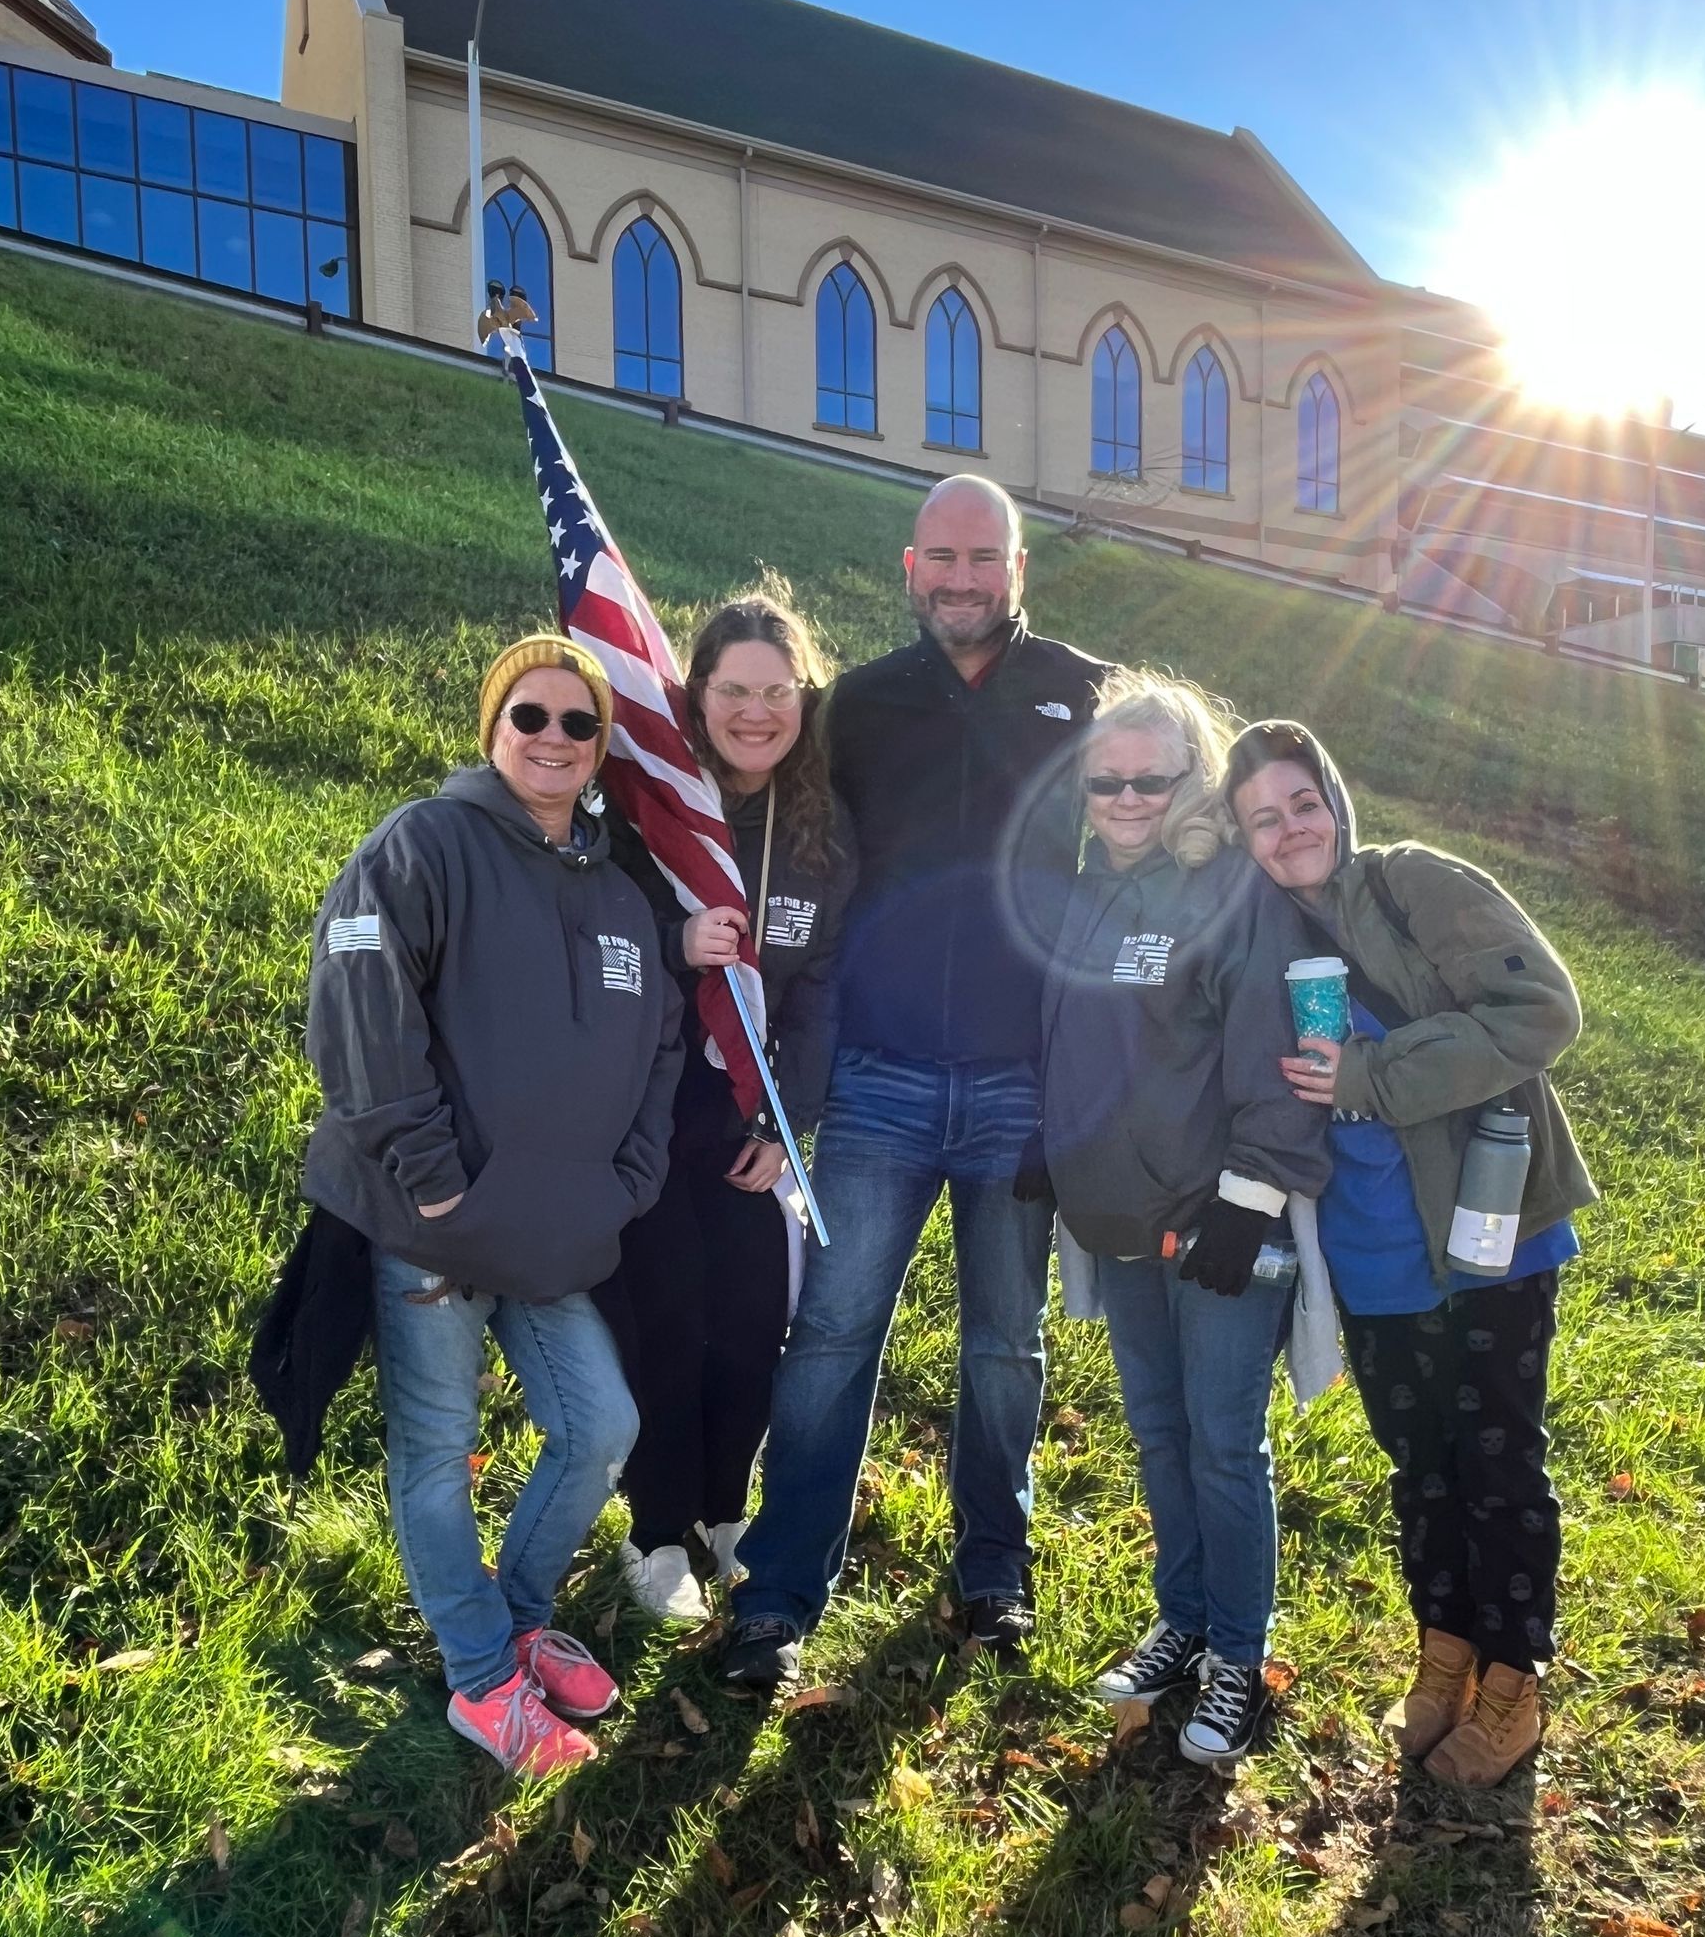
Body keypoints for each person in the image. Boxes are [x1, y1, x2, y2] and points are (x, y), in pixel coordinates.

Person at [720, 476, 1106, 1687]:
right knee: (832, 1332)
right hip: (879, 1075)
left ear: (1018, 565)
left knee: (1006, 1346)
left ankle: (994, 1572)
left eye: (982, 556)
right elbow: (770, 820)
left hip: (1022, 1082)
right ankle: (779, 1595)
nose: (960, 577)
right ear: (906, 565)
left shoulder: (1088, 695)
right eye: (940, 555)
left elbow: (1165, 836)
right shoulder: (857, 708)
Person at [302, 636, 682, 1778]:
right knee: (437, 1451)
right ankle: (480, 1681)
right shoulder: (424, 841)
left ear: (602, 748)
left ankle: (512, 1617)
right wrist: (430, 1172)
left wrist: (630, 1183)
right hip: (431, 1223)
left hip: (559, 1230)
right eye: (531, 716)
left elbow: (661, 1048)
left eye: (579, 724)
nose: (553, 739)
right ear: (493, 728)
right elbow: (359, 994)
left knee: (601, 1426)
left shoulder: (622, 899)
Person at [1223, 720, 1597, 1788]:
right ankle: (1445, 1651)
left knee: (1498, 1458)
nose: (1290, 828)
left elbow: (1541, 1006)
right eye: (1264, 816)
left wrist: (1372, 1076)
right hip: (1370, 1252)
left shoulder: (1410, 884)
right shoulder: (1260, 935)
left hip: (1488, 1232)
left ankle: (1515, 1681)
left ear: (1335, 800)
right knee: (1419, 1465)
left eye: (1303, 802)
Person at [1031, 672, 1331, 1765]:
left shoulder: (1229, 892)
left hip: (1218, 1232)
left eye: (1149, 778)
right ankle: (1186, 1618)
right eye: (1105, 778)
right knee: (1160, 1434)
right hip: (1121, 1222)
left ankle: (1239, 1661)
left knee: (1221, 1445)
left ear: (1191, 775)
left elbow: (1278, 1061)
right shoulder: (1085, 888)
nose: (1123, 797)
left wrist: (1246, 1205)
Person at [608, 585, 854, 1622]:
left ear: (802, 697)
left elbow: (825, 988)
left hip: (754, 1117)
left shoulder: (821, 828)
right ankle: (654, 1527)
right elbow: (598, 947)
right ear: (696, 692)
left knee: (753, 1321)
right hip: (650, 1105)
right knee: (667, 1316)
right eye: (733, 690)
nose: (757, 711)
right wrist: (676, 946)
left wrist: (783, 1122)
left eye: (777, 691)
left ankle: (722, 1505)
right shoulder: (649, 806)